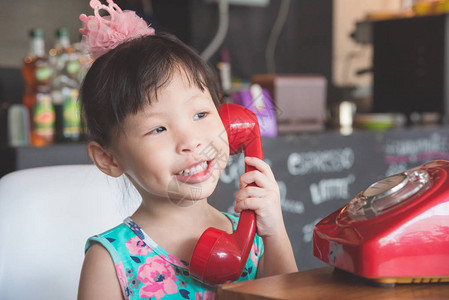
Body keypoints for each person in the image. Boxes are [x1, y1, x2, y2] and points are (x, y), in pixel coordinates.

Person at [77, 1, 297, 299]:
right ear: (109, 158)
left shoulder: (253, 236)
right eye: (158, 129)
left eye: (201, 115)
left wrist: (275, 232)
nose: (191, 141)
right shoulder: (110, 260)